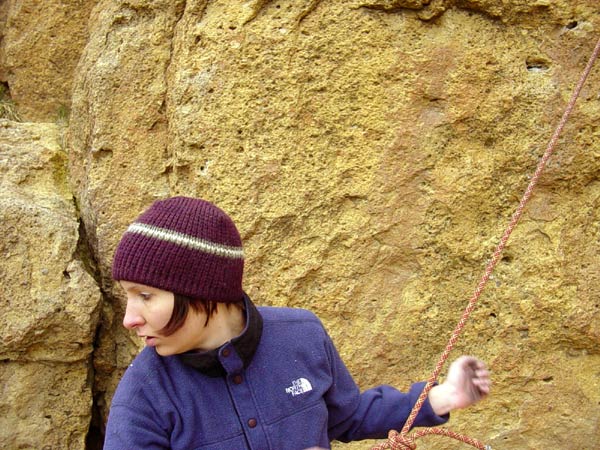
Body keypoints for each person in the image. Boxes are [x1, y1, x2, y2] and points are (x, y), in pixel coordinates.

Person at [103, 196, 490, 450]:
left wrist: (442, 397)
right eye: (128, 296)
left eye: (146, 296)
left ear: (206, 290)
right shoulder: (144, 392)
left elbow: (348, 416)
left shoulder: (301, 335)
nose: (129, 318)